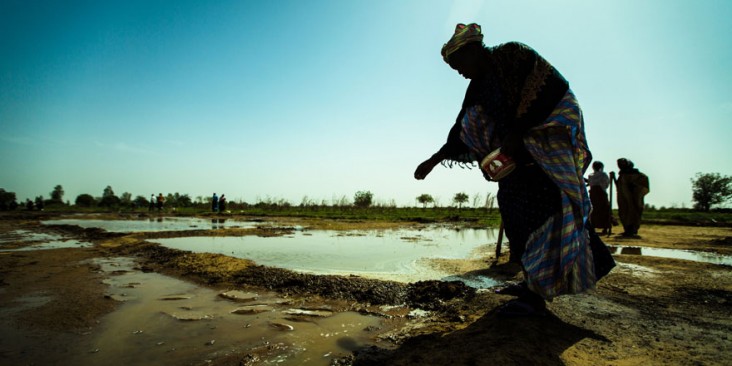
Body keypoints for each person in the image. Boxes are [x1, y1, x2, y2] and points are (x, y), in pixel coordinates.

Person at [414, 23, 615, 316]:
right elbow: (462, 128)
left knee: (542, 222)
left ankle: (536, 298)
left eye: (459, 65)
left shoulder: (513, 54)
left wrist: (520, 131)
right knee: (517, 221)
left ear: (473, 50)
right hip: (515, 167)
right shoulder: (477, 87)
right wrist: (434, 160)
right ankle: (528, 283)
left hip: (542, 159)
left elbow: (549, 86)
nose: (459, 72)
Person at [611, 158, 649, 238]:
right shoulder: (622, 176)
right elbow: (619, 186)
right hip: (623, 200)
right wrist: (614, 178)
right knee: (624, 212)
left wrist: (634, 187)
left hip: (634, 200)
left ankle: (633, 230)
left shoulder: (640, 176)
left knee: (633, 212)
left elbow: (644, 187)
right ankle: (627, 230)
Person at [587, 161, 611, 235]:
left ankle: (597, 226)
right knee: (602, 209)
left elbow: (591, 183)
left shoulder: (591, 176)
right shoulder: (603, 175)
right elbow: (606, 184)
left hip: (595, 194)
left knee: (596, 210)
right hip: (600, 194)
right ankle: (604, 227)